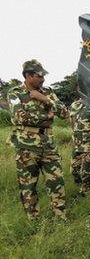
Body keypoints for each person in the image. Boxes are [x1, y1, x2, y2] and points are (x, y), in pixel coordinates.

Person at [7, 60, 68, 220]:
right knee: (28, 185)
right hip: (26, 148)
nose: (43, 79)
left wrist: (45, 99)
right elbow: (20, 117)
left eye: (43, 76)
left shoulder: (47, 92)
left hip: (48, 145)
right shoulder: (15, 93)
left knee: (57, 182)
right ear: (27, 75)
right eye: (38, 76)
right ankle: (33, 220)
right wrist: (46, 116)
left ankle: (60, 217)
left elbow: (64, 112)